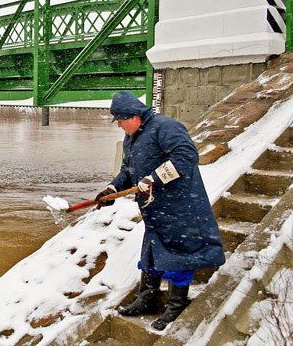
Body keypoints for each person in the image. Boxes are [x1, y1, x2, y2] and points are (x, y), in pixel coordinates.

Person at [95, 91, 225, 331]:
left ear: (133, 117)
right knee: (152, 252)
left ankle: (176, 306)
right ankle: (147, 299)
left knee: (180, 252)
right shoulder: (131, 138)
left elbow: (187, 156)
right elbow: (128, 170)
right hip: (155, 209)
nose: (120, 126)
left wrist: (154, 179)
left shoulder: (165, 127)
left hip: (179, 206)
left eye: (121, 121)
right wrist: (112, 188)